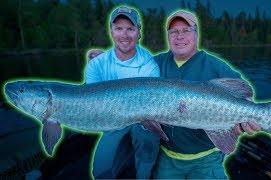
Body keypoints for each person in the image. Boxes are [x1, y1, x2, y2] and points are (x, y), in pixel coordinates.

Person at [152, 10, 261, 179]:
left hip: (207, 160)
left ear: (196, 34)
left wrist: (244, 122)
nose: (179, 36)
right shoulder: (155, 63)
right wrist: (103, 59)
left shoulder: (215, 66)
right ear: (168, 36)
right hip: (168, 158)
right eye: (174, 31)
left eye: (186, 30)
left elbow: (244, 94)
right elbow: (128, 71)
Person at [84, 6, 160, 179]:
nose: (124, 35)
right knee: (100, 172)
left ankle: (144, 174)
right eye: (119, 28)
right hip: (112, 123)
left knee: (146, 138)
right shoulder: (96, 64)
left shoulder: (149, 65)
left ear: (138, 32)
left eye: (130, 29)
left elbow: (150, 106)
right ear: (111, 31)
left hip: (142, 120)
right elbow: (92, 102)